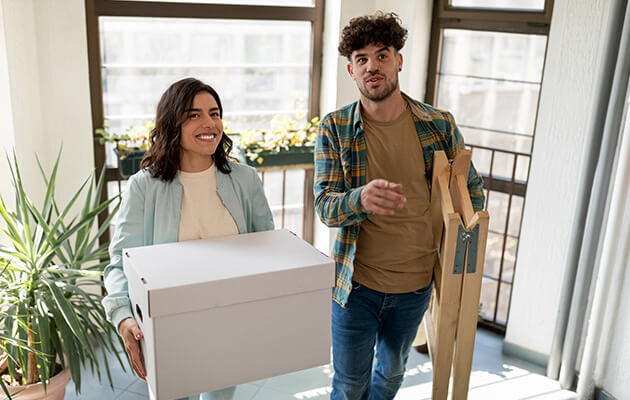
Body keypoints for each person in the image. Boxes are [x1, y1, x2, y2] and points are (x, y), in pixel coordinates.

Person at [314, 12, 485, 400]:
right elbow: (325, 206)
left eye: (382, 55)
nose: (372, 66)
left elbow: (471, 193)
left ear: (398, 61)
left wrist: (461, 242)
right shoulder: (334, 128)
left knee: (390, 376)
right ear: (350, 70)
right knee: (349, 384)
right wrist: (361, 198)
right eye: (362, 59)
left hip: (415, 286)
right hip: (355, 286)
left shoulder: (438, 125)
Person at [102, 77, 274, 400]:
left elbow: (269, 249)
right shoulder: (144, 187)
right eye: (194, 115)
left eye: (215, 112)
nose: (209, 123)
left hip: (229, 324)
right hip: (169, 328)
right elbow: (119, 263)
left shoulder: (246, 180)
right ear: (172, 124)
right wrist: (123, 316)